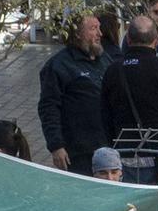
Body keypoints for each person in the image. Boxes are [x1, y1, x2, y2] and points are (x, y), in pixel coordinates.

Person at [38, 13, 112, 172]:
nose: (100, 34)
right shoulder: (58, 66)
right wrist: (56, 145)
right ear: (77, 34)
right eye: (93, 29)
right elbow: (48, 107)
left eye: (99, 28)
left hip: (107, 147)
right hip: (79, 152)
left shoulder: (105, 60)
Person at [103, 16, 158, 143]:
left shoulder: (112, 70)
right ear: (156, 40)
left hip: (123, 147)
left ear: (128, 39)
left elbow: (105, 115)